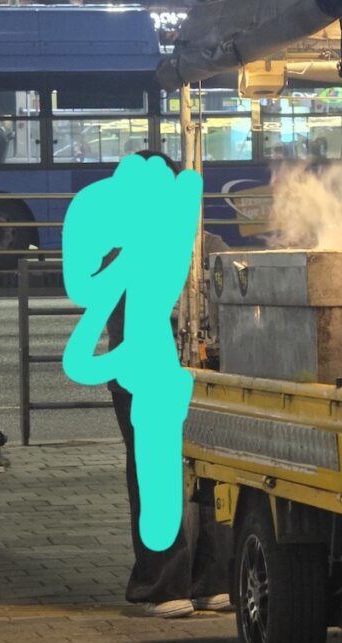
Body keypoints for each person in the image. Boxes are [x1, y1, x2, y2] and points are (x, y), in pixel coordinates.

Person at [106, 150, 232, 618]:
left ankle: (165, 586)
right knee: (210, 473)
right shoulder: (208, 244)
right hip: (200, 373)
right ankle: (211, 581)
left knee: (156, 478)